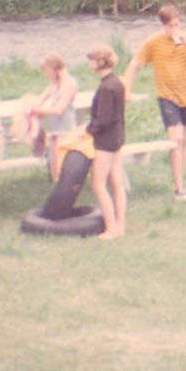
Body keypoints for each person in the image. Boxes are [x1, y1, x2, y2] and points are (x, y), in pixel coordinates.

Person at [122, 3, 186, 201]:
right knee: (175, 139)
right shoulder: (154, 42)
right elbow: (135, 63)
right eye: (171, 26)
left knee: (184, 140)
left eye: (178, 24)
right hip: (167, 96)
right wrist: (127, 89)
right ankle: (179, 188)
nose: (175, 29)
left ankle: (179, 179)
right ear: (163, 26)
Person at [83, 44, 128, 239]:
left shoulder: (106, 87)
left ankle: (111, 229)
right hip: (117, 137)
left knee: (98, 184)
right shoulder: (117, 82)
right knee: (117, 182)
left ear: (98, 62)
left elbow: (103, 119)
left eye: (91, 60)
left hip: (106, 141)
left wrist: (86, 130)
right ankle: (120, 226)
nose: (89, 64)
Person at [26, 52, 78, 177]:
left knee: (62, 165)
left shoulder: (69, 84)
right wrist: (31, 106)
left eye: (46, 72)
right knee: (53, 165)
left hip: (65, 129)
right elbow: (41, 98)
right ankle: (56, 186)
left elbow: (59, 109)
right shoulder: (54, 83)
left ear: (53, 68)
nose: (46, 75)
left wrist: (39, 111)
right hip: (54, 129)